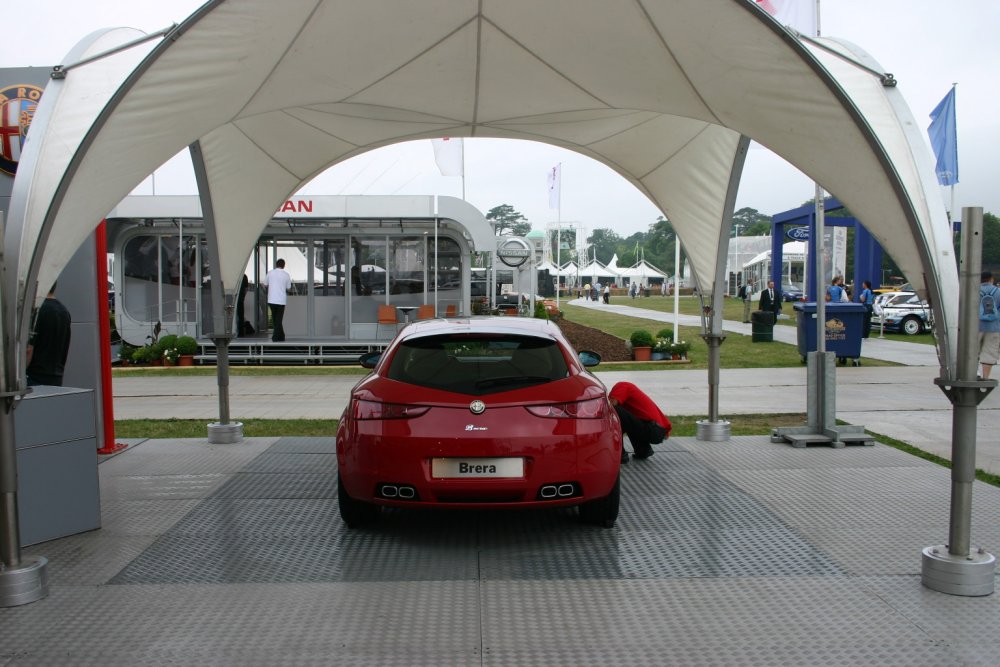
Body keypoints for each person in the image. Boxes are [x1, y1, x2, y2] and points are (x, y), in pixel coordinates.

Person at [609, 381, 671, 463]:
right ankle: (643, 450)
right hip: (658, 430)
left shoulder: (621, 386)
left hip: (654, 429)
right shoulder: (627, 394)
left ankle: (620, 455)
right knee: (628, 422)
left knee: (613, 411)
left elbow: (610, 406)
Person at [26, 283, 72, 387]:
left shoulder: (38, 310)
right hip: (56, 377)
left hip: (35, 377)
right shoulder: (64, 311)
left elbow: (29, 349)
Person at [263, 259, 293, 342]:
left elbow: (265, 284)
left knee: (275, 318)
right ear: (283, 265)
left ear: (276, 265)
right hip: (281, 300)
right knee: (278, 319)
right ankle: (276, 337)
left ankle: (281, 336)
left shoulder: (270, 273)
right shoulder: (286, 275)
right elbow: (289, 288)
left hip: (271, 299)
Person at [979, 271, 1000, 379]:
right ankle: (985, 377)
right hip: (994, 327)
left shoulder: (973, 291)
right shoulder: (998, 291)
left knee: (971, 352)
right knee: (989, 351)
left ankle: (971, 375)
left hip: (975, 327)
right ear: (991, 279)